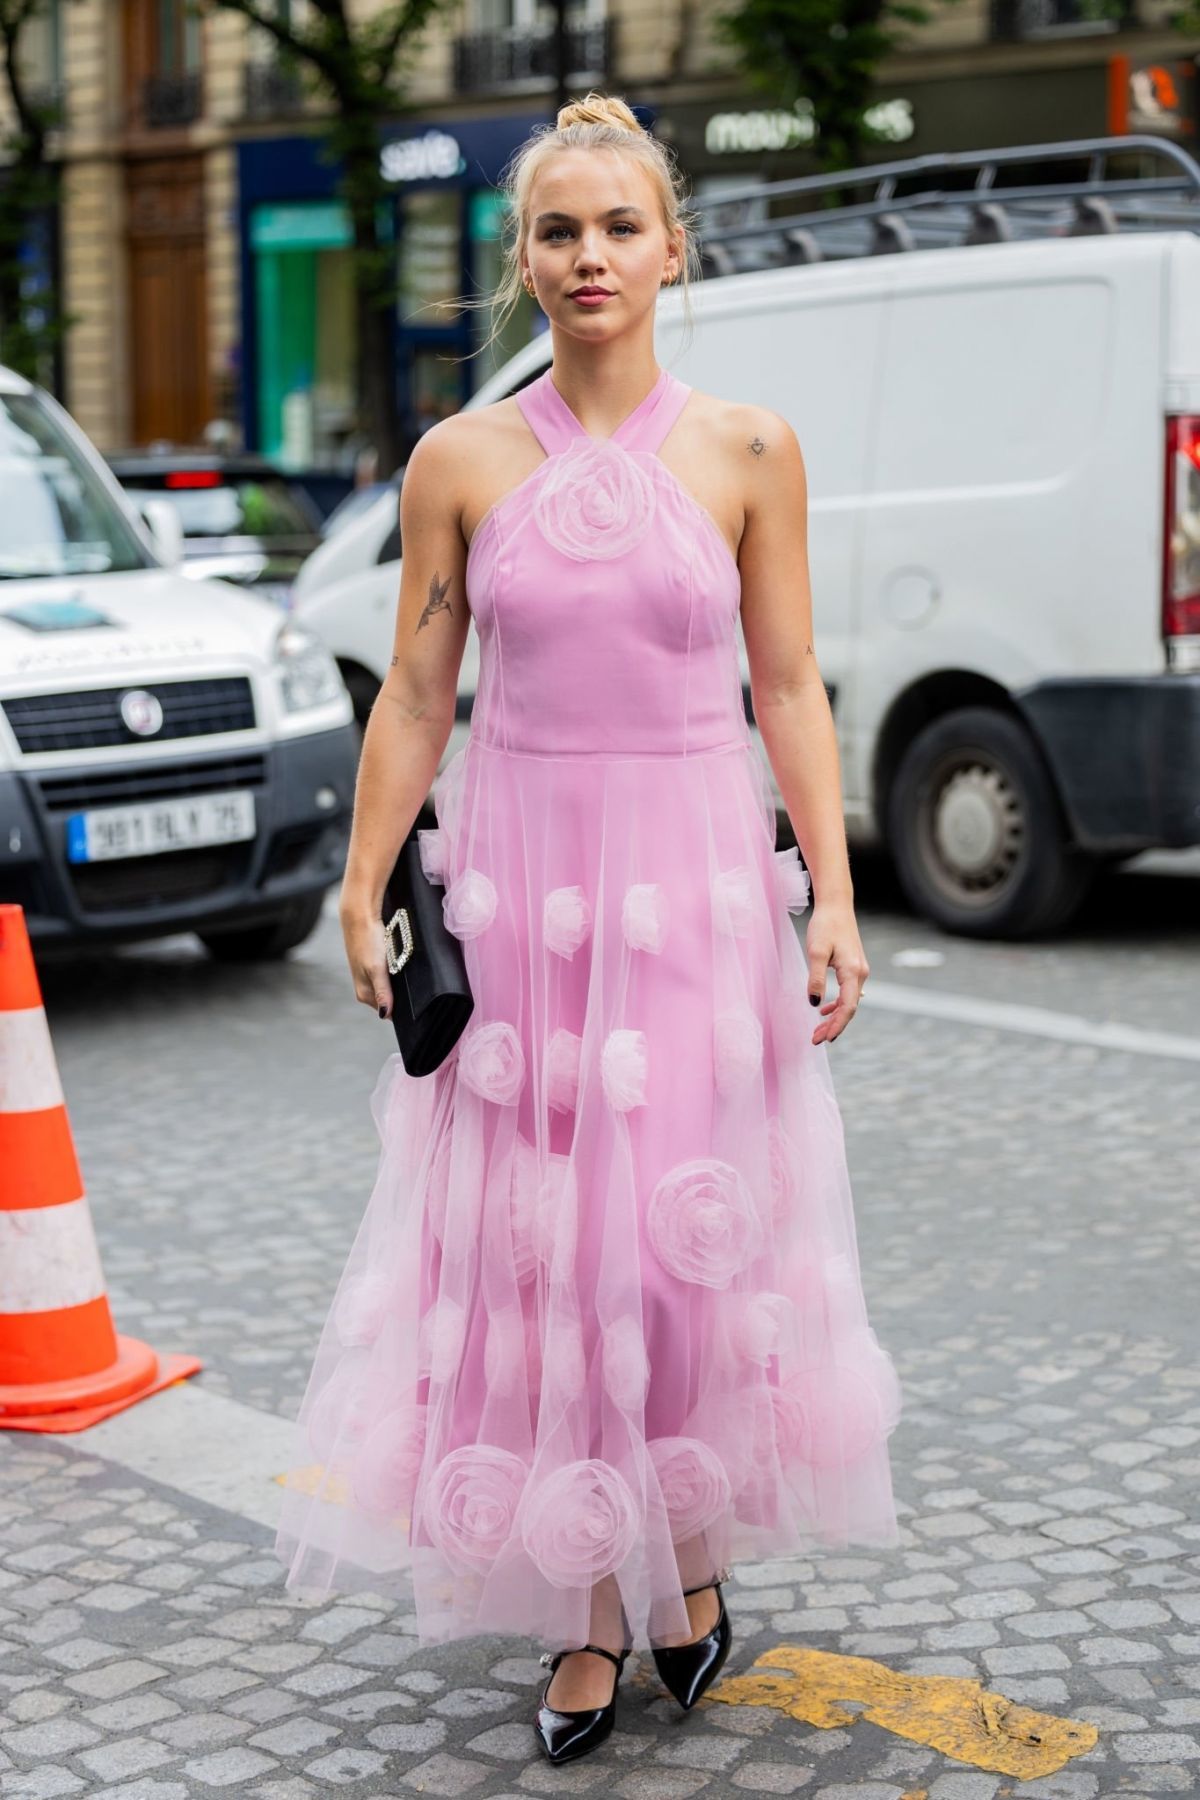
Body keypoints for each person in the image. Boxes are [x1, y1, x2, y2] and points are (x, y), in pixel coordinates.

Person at [273, 91, 902, 1767]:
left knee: (679, 1254)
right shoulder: (460, 460)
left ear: (672, 249)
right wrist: (363, 879)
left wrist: (834, 892)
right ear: (524, 261)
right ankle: (582, 1603)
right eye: (559, 230)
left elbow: (788, 684)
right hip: (523, 898)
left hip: (698, 892)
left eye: (622, 225)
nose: (591, 255)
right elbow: (419, 691)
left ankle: (682, 1552)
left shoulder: (750, 448)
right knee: (547, 1256)